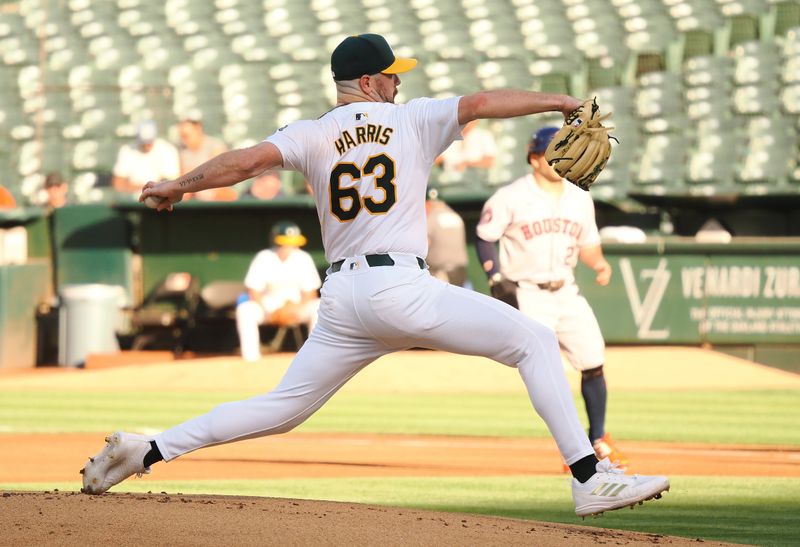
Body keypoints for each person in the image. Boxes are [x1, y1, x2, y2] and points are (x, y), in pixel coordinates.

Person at [81, 33, 669, 518]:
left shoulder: (309, 132)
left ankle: (149, 448)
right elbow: (481, 102)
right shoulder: (410, 119)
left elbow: (241, 164)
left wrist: (175, 187)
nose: (397, 82)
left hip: (342, 298)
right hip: (399, 289)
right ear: (367, 83)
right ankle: (589, 476)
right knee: (535, 340)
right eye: (389, 75)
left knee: (281, 408)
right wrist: (561, 103)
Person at [475, 126, 625, 469]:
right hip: (529, 293)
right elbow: (485, 235)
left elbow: (589, 245)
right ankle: (575, 450)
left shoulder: (579, 197)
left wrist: (599, 264)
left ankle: (598, 439)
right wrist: (494, 276)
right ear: (534, 158)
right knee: (548, 373)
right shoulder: (511, 196)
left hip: (567, 290)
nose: (562, 159)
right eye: (553, 152)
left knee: (593, 361)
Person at [236, 221, 321, 361]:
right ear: (276, 242)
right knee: (245, 309)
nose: (289, 246)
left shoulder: (303, 258)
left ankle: (315, 356)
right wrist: (268, 312)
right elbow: (253, 291)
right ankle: (251, 358)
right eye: (285, 243)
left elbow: (311, 293)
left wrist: (294, 310)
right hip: (268, 307)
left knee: (318, 306)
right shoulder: (264, 257)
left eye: (292, 243)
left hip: (296, 306)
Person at [112, 120, 180, 195]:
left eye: (149, 141)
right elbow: (118, 184)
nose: (147, 145)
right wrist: (151, 188)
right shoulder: (126, 150)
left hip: (159, 198)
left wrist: (133, 186)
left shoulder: (168, 150)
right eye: (144, 142)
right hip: (133, 200)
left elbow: (170, 184)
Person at [177, 117, 232, 202]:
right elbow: (183, 182)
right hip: (195, 197)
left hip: (216, 197)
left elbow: (218, 177)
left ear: (198, 129)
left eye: (186, 135)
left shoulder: (215, 146)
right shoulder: (183, 153)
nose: (184, 140)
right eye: (182, 136)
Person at [425, 188, 469, 287]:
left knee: (440, 300)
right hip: (459, 269)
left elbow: (425, 243)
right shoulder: (455, 215)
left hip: (439, 270)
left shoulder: (431, 217)